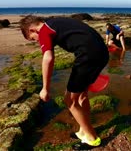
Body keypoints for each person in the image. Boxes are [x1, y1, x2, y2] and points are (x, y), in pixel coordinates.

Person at [19, 15, 109, 148]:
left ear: (33, 30)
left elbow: (48, 58)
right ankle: (83, 130)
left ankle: (92, 138)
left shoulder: (44, 30)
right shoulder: (54, 22)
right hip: (101, 53)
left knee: (69, 100)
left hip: (87, 57)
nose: (37, 41)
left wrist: (45, 88)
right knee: (81, 95)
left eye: (33, 39)